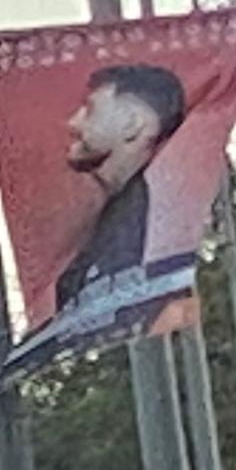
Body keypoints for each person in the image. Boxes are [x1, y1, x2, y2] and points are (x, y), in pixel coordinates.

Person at [52, 62, 187, 318]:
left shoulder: (150, 215)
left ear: (132, 124)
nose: (73, 122)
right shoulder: (118, 212)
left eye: (91, 110)